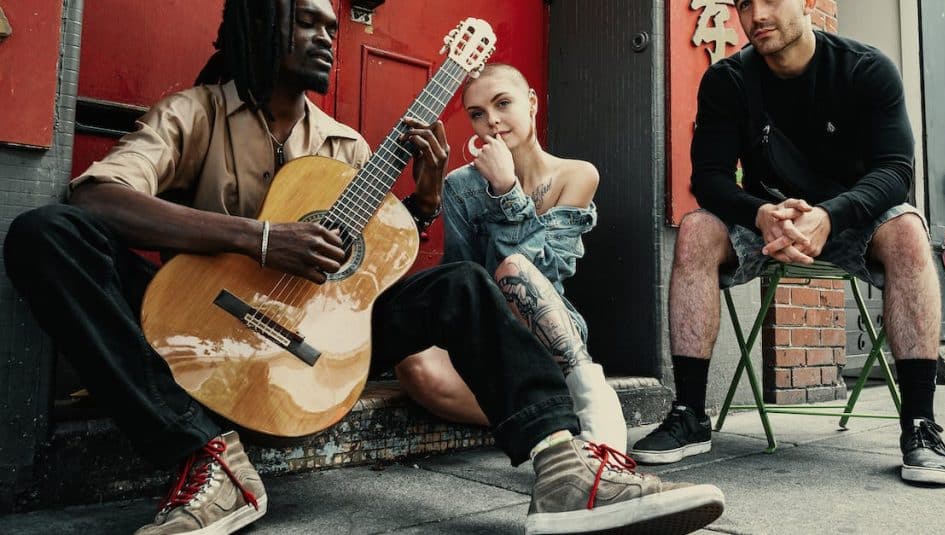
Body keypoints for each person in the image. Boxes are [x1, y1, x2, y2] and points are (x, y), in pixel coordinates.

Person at [3, 1, 726, 533]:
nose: (327, 36)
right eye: (307, 22)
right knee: (44, 234)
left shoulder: (344, 143)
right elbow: (98, 196)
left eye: (330, 23)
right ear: (260, 24)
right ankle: (206, 457)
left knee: (462, 284)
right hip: (200, 323)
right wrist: (260, 239)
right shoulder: (194, 112)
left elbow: (372, 257)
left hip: (318, 332)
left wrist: (429, 197)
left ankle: (563, 463)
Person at [630, 0, 945, 486]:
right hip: (769, 222)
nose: (756, 13)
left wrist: (830, 215)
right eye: (743, 3)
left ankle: (920, 424)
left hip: (852, 219)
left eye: (770, 0)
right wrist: (760, 215)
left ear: (806, 3)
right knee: (698, 228)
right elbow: (711, 179)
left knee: (909, 229)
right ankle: (690, 413)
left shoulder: (866, 69)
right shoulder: (728, 80)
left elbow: (895, 171)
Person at [394, 64, 628, 451]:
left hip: (549, 336)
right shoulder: (460, 186)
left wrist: (506, 191)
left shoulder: (577, 175)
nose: (493, 121)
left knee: (515, 270)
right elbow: (462, 274)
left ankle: (592, 403)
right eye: (477, 114)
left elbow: (545, 272)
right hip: (487, 340)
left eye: (503, 103)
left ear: (532, 102)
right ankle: (553, 417)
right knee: (415, 366)